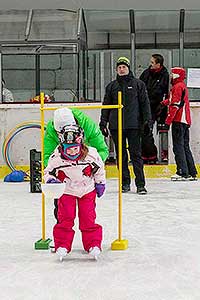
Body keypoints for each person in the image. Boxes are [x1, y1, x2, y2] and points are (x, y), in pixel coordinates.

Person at [44, 124, 106, 261]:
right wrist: (51, 181)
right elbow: (48, 172)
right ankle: (62, 244)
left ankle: (93, 244)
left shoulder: (91, 155)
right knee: (65, 218)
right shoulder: (57, 158)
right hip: (67, 191)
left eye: (75, 148)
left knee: (88, 218)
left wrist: (100, 183)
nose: (72, 152)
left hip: (87, 190)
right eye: (68, 149)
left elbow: (99, 169)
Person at [99, 56, 151, 194]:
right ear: (116, 69)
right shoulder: (111, 86)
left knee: (136, 155)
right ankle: (125, 183)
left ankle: (140, 185)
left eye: (124, 67)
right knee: (121, 156)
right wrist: (103, 122)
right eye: (119, 67)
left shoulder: (138, 84)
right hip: (116, 127)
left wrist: (147, 121)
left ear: (128, 68)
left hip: (134, 125)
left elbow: (145, 104)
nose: (122, 69)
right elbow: (106, 105)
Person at [161, 67, 197, 181]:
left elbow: (175, 105)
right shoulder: (181, 86)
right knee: (185, 146)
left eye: (172, 74)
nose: (170, 76)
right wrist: (164, 102)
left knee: (178, 147)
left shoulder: (177, 87)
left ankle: (182, 172)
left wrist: (167, 122)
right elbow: (174, 100)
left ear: (176, 75)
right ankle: (191, 171)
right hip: (185, 121)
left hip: (178, 120)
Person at [44, 107, 109, 167]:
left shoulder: (88, 126)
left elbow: (102, 150)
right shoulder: (51, 131)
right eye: (61, 134)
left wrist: (91, 165)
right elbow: (47, 157)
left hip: (87, 162)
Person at [139, 54, 169, 163]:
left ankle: (151, 156)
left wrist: (162, 106)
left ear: (158, 64)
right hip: (144, 107)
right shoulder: (146, 73)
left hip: (157, 108)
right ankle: (146, 156)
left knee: (149, 131)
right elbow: (140, 86)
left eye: (152, 62)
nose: (150, 64)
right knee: (144, 131)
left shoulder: (164, 75)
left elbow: (165, 92)